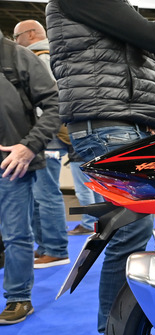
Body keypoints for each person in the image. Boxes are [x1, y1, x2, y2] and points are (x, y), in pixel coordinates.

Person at [47, 0, 155, 335]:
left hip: (116, 127)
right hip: (108, 129)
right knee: (127, 235)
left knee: (131, 234)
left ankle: (127, 333)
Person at [0, 29, 60, 324]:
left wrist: (28, 146)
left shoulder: (17, 56)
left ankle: (18, 297)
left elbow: (55, 104)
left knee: (15, 234)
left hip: (9, 162)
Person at [13, 19, 71, 269]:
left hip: (46, 138)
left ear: (31, 34)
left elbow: (48, 103)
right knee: (42, 194)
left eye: (17, 37)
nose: (15, 43)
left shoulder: (41, 58)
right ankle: (47, 246)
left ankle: (56, 249)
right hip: (45, 138)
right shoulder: (49, 56)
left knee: (46, 194)